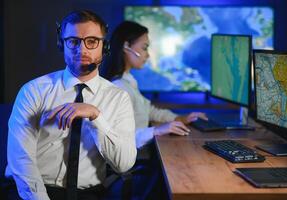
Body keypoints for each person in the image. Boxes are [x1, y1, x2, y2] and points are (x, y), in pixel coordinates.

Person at [5, 10, 137, 200]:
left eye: (92, 41)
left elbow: (123, 164)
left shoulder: (118, 98)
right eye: (73, 41)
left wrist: (95, 116)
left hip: (88, 194)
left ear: (104, 47)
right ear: (62, 44)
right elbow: (20, 160)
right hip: (32, 191)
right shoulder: (33, 91)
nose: (82, 50)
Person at [101, 21, 208, 149]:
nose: (148, 55)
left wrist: (181, 118)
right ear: (126, 46)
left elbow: (148, 111)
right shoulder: (120, 87)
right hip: (132, 159)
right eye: (144, 47)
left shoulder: (128, 80)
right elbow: (119, 139)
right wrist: (157, 130)